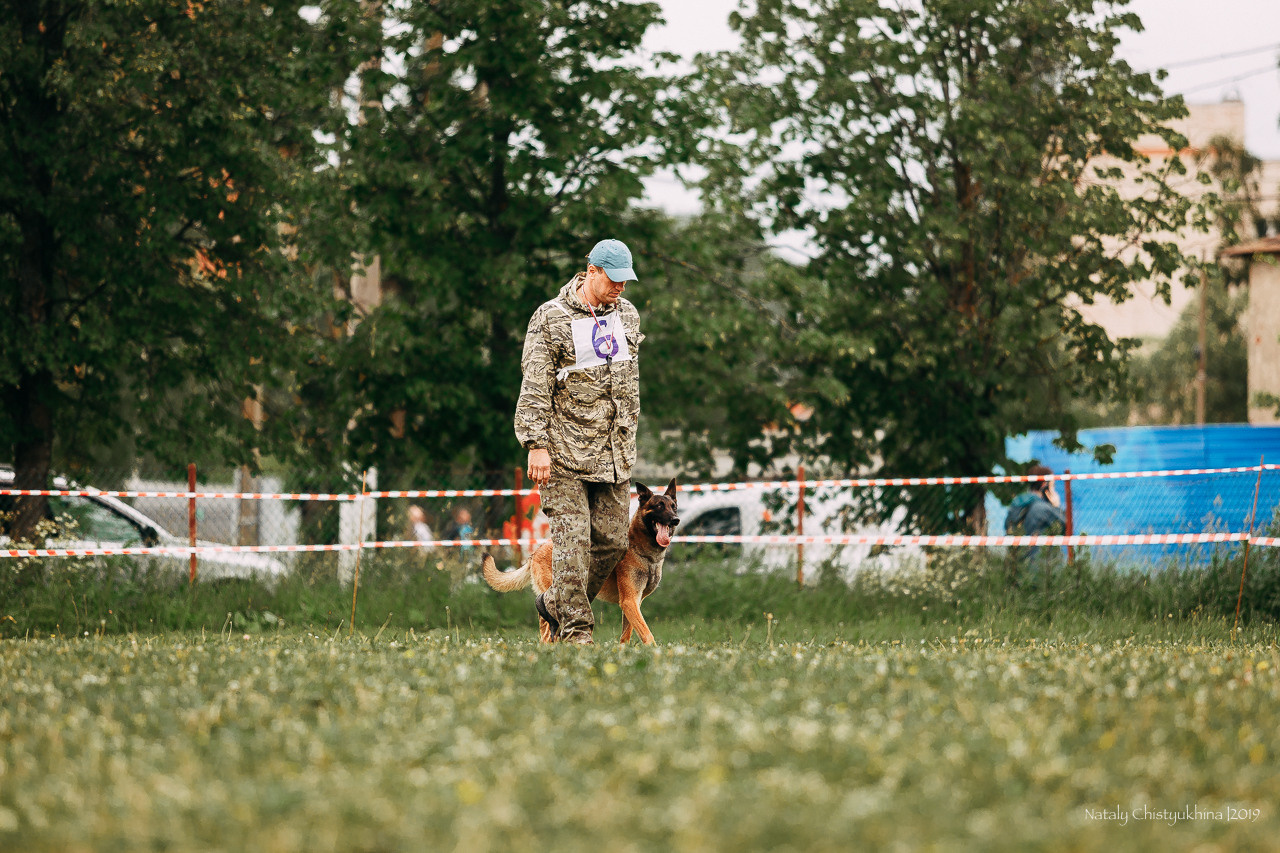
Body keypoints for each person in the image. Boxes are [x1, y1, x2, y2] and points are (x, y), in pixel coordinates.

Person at [514, 238, 643, 644]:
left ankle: (555, 604)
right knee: (573, 543)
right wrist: (536, 444)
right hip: (564, 454)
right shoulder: (550, 318)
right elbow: (534, 384)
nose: (621, 287)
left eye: (626, 281)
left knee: (611, 543)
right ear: (591, 272)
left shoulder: (627, 316)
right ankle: (576, 633)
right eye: (614, 279)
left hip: (613, 456)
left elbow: (628, 382)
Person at [1005, 464, 1067, 581]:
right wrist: (1057, 507)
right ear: (1045, 485)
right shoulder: (1044, 509)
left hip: (1017, 568)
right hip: (1041, 570)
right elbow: (1066, 527)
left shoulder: (1016, 504)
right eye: (1052, 486)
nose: (1054, 491)